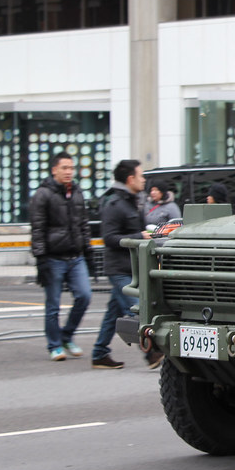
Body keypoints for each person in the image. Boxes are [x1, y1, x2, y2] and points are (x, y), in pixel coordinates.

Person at [94, 159, 159, 369]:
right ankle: (152, 354)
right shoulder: (114, 204)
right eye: (141, 176)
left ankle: (99, 354)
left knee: (113, 311)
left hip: (131, 267)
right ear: (130, 179)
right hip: (119, 269)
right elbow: (109, 237)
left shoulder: (133, 200)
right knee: (138, 310)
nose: (144, 180)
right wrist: (138, 236)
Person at [29, 151, 93, 361]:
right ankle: (54, 345)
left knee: (84, 296)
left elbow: (83, 223)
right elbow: (37, 228)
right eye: (64, 168)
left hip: (76, 256)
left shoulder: (76, 192)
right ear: (54, 169)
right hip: (53, 258)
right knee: (53, 305)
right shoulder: (43, 194)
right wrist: (40, 259)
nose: (68, 172)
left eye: (71, 168)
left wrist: (88, 249)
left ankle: (66, 336)